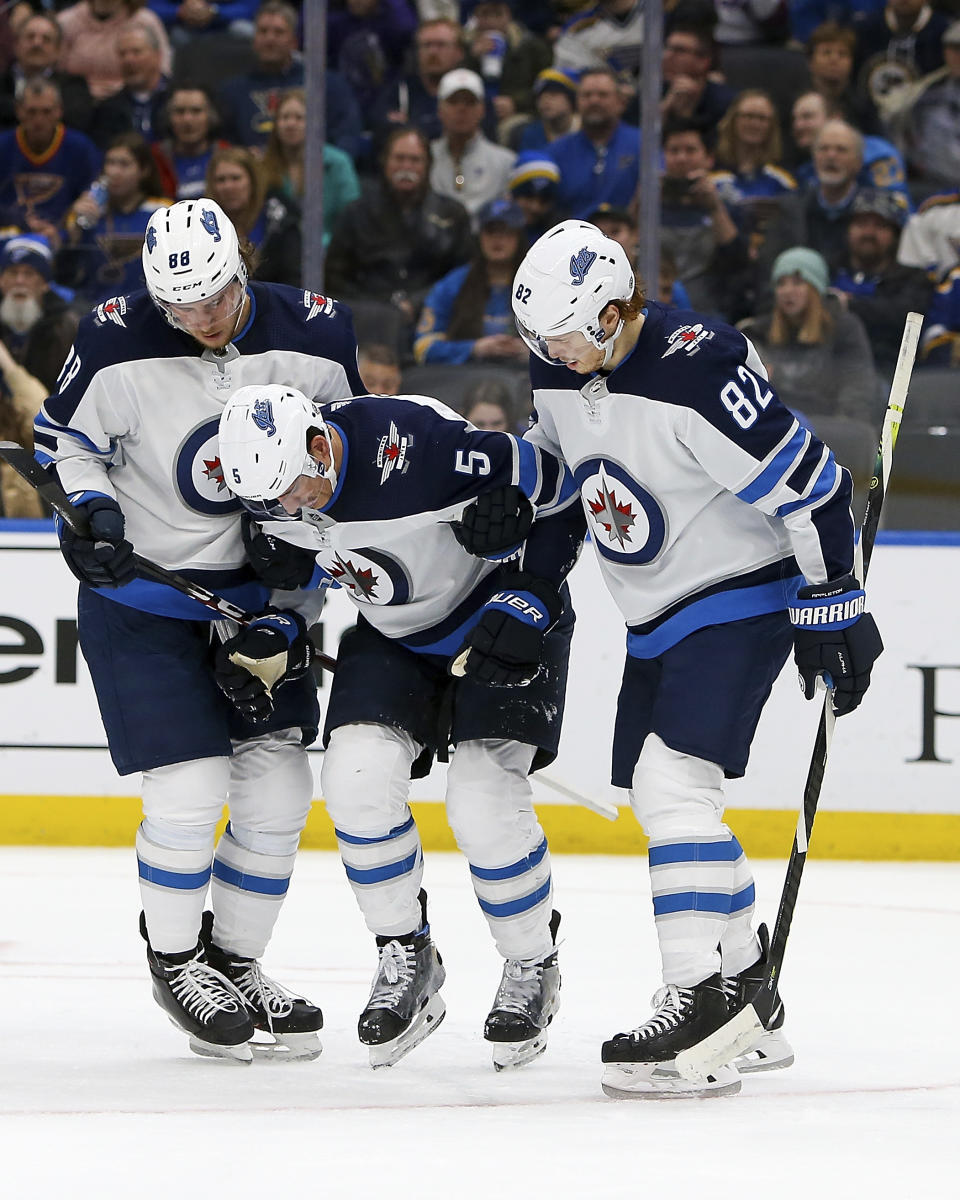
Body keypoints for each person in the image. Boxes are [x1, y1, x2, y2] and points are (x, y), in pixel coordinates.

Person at [510, 219, 883, 1098]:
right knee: (661, 799)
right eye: (540, 341)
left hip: (740, 595)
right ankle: (751, 990)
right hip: (653, 613)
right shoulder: (560, 364)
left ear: (614, 309)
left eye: (567, 336)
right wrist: (523, 514)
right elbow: (563, 469)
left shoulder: (696, 371)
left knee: (677, 791)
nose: (554, 356)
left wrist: (835, 599)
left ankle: (697, 996)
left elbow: (818, 485)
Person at [32, 195, 366, 1063]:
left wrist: (300, 558)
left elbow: (347, 449)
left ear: (242, 269)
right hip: (145, 604)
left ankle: (235, 960)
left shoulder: (319, 332)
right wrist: (92, 514)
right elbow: (62, 442)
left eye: (214, 300)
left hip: (262, 606)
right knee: (189, 790)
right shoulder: (113, 337)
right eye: (179, 308)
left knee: (280, 792)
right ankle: (176, 960)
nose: (201, 321)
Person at [215, 380, 582, 1070]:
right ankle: (405, 954)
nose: (287, 510)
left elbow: (560, 491)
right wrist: (278, 626)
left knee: (481, 803)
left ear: (320, 445)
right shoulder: (270, 488)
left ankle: (533, 963)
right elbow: (306, 571)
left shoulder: (417, 442)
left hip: (497, 615)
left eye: (293, 491)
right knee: (352, 778)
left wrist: (531, 585)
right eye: (270, 504)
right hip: (393, 633)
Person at [324, 126, 474, 329]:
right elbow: (334, 278)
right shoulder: (355, 213)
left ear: (427, 166)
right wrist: (381, 308)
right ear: (385, 162)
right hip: (368, 319)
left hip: (433, 316)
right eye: (399, 158)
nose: (406, 167)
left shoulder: (453, 215)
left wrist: (418, 302)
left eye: (415, 160)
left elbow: (463, 275)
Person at [739, 245, 879, 428]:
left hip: (828, 428)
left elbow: (857, 387)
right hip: (776, 429)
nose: (787, 291)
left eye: (798, 282)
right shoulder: (757, 332)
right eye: (781, 283)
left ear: (816, 288)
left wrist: (846, 431)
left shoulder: (844, 328)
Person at [217, 0, 362, 158]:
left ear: (294, 42)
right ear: (254, 40)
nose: (270, 39)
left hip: (312, 177)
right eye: (263, 32)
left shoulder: (326, 85)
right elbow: (223, 146)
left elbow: (347, 139)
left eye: (278, 32)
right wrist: (243, 157)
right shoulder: (232, 91)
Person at [829, 188, 933, 377]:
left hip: (887, 374)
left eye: (880, 226)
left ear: (895, 235)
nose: (869, 232)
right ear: (848, 230)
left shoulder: (914, 279)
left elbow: (904, 317)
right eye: (861, 224)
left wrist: (846, 305)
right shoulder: (828, 269)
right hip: (825, 371)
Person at [414, 197, 529, 365]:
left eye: (506, 231)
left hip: (522, 378)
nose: (497, 239)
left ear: (519, 238)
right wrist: (474, 348)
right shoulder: (453, 284)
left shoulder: (539, 285)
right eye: (490, 231)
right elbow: (422, 347)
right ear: (479, 236)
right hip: (465, 378)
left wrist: (533, 354)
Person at [59, 131, 171, 304]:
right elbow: (65, 274)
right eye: (110, 163)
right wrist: (73, 233)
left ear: (144, 170)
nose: (114, 172)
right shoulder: (86, 211)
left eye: (124, 164)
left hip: (150, 306)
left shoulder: (163, 212)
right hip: (94, 306)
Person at [0, 79, 101, 239]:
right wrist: (20, 223)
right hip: (9, 237)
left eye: (46, 112)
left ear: (59, 111)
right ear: (18, 111)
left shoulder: (80, 147)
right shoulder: (3, 146)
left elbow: (92, 195)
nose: (39, 120)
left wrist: (66, 229)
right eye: (31, 112)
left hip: (65, 240)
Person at [259, 88, 360, 248]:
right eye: (284, 117)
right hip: (277, 256)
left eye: (299, 118)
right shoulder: (263, 166)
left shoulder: (338, 163)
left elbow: (352, 221)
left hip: (330, 253)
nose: (291, 124)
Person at [548, 67, 640, 220]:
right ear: (577, 102)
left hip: (628, 237)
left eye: (603, 95)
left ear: (620, 102)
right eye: (587, 95)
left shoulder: (642, 144)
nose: (594, 100)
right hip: (574, 239)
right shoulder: (556, 152)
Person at [429, 67, 515, 225]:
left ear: (482, 109)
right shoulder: (425, 157)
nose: (461, 109)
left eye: (470, 102)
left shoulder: (506, 162)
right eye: (453, 102)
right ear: (440, 109)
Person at [205, 146, 301, 288]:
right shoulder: (200, 227)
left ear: (253, 182)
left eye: (236, 178)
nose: (228, 186)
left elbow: (294, 281)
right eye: (221, 180)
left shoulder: (281, 224)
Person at [0, 234, 79, 393]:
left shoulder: (66, 327)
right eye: (13, 273)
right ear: (2, 281)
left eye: (29, 274)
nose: (19, 281)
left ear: (44, 284)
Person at [57, 0, 172, 102]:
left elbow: (163, 69)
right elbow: (56, 72)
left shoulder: (145, 21)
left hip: (129, 100)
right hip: (76, 102)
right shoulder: (66, 21)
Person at [0, 11, 94, 135]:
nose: (37, 43)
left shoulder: (74, 85)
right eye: (30, 37)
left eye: (46, 39)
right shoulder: (2, 82)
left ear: (58, 50)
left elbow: (75, 120)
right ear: (16, 45)